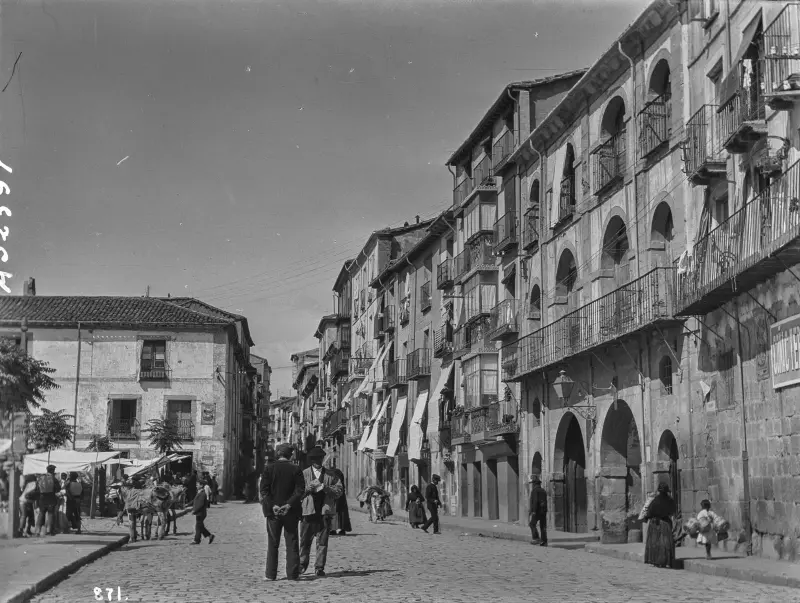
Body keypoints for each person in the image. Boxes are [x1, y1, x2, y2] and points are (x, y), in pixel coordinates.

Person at [260, 443, 305, 581]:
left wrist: (273, 505)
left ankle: (270, 574)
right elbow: (300, 490)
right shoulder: (296, 469)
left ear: (278, 454)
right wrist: (288, 505)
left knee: (273, 542)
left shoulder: (269, 469)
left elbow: (264, 490)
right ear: (290, 455)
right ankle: (293, 574)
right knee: (292, 541)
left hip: (273, 513)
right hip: (290, 512)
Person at [299, 447, 343, 577]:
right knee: (305, 541)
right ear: (311, 461)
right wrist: (308, 489)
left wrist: (326, 488)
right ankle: (302, 564)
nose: (317, 461)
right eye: (315, 459)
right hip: (308, 512)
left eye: (319, 459)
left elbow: (339, 491)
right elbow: (298, 492)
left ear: (322, 459)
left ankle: (319, 567)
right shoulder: (304, 474)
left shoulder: (331, 475)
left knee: (322, 542)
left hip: (325, 512)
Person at [642, 482, 676, 568]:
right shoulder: (670, 500)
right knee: (665, 543)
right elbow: (672, 511)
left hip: (655, 523)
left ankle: (656, 560)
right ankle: (665, 560)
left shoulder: (655, 500)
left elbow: (649, 512)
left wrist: (647, 517)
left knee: (655, 542)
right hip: (665, 523)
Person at [324, 457, 351, 535]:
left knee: (334, 511)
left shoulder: (330, 473)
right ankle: (341, 528)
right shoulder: (338, 472)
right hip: (340, 495)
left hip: (333, 494)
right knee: (341, 512)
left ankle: (333, 529)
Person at [35, 465, 61, 537]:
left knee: (41, 513)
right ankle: (49, 531)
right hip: (51, 498)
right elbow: (58, 488)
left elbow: (36, 489)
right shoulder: (53, 478)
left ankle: (37, 531)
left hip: (42, 498)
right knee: (50, 514)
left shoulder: (41, 478)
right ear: (53, 470)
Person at [190, 479, 215, 545]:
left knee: (198, 526)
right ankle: (210, 536)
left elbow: (200, 504)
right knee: (200, 526)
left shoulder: (202, 494)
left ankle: (197, 540)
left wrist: (194, 510)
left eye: (197, 485)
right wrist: (188, 504)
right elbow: (194, 500)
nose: (196, 486)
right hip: (199, 513)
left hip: (201, 513)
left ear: (201, 485)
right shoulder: (199, 492)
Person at [528, 474, 547, 546]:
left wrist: (533, 511)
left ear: (534, 484)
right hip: (543, 511)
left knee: (532, 524)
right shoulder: (543, 491)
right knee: (543, 526)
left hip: (537, 511)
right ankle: (544, 541)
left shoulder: (535, 491)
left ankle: (536, 538)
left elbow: (535, 501)